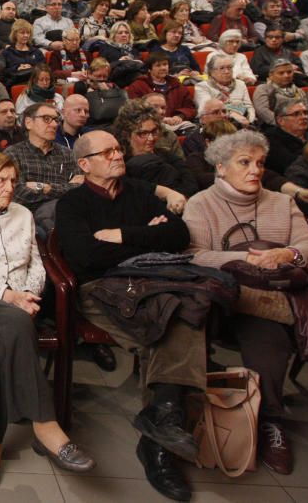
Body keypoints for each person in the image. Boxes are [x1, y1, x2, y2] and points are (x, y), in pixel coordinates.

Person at [56, 130, 200, 502]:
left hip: (150, 284)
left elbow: (179, 235)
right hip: (100, 290)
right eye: (108, 152)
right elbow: (84, 257)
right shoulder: (73, 203)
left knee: (180, 317)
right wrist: (147, 238)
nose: (119, 155)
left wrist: (120, 235)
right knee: (171, 326)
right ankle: (159, 447)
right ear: (85, 164)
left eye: (119, 148)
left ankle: (158, 435)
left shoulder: (138, 192)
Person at [0, 151, 95, 495]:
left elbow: (36, 265)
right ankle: (46, 425)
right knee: (14, 322)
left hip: (17, 308)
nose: (9, 187)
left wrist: (27, 294)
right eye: (0, 180)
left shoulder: (24, 214)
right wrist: (7, 295)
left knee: (7, 336)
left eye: (13, 180)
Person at [184, 130, 308, 475]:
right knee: (267, 330)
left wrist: (286, 253)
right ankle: (272, 422)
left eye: (260, 163)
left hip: (290, 290)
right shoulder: (201, 204)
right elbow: (194, 255)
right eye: (244, 162)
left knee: (284, 314)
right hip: (237, 297)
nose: (255, 170)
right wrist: (241, 263)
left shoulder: (281, 202)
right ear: (221, 167)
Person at [5, 102, 81, 233]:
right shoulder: (13, 154)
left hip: (64, 211)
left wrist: (44, 187)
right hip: (26, 216)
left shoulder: (67, 153)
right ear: (29, 123)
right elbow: (18, 193)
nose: (54, 124)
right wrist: (64, 188)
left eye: (56, 120)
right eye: (46, 119)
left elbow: (79, 188)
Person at [114, 99, 198, 198]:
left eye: (154, 131)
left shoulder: (165, 154)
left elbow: (191, 182)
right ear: (127, 134)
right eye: (143, 133)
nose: (151, 138)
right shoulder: (120, 163)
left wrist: (176, 197)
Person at [124, 52, 196, 124]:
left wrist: (180, 116)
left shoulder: (177, 85)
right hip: (150, 125)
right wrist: (161, 119)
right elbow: (135, 111)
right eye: (158, 65)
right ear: (149, 69)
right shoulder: (138, 86)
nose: (163, 68)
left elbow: (190, 108)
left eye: (165, 64)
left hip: (177, 124)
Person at [194, 54, 256, 127]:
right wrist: (233, 115)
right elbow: (208, 110)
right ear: (211, 71)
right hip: (216, 124)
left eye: (229, 68)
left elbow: (249, 106)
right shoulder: (202, 87)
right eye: (222, 68)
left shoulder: (240, 84)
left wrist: (250, 121)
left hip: (243, 121)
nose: (227, 71)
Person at [254, 59, 307, 128]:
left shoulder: (299, 91)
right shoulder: (263, 89)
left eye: (289, 72)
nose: (286, 75)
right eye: (281, 73)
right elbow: (262, 111)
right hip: (274, 126)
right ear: (271, 75)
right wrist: (284, 123)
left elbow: (306, 109)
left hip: (299, 124)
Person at [266, 100, 308, 174]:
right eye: (296, 114)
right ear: (280, 121)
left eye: (306, 113)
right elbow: (291, 165)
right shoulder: (271, 140)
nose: (304, 117)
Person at [1, 19, 46, 86]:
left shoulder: (37, 52)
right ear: (15, 34)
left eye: (28, 33)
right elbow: (3, 72)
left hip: (34, 84)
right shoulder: (7, 52)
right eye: (22, 33)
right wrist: (17, 68)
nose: (26, 35)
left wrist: (32, 68)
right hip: (14, 84)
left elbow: (44, 69)